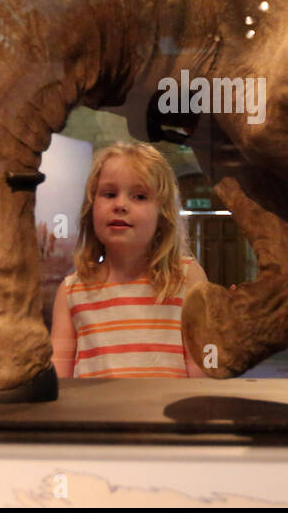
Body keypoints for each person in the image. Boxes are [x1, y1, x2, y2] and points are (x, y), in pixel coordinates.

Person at [50, 142, 209, 379]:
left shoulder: (186, 279)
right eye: (109, 194)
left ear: (162, 215)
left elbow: (203, 376)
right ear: (91, 208)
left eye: (140, 196)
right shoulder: (72, 291)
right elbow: (58, 378)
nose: (120, 205)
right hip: (97, 415)